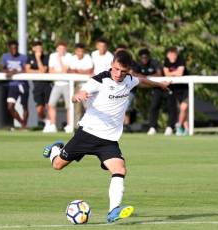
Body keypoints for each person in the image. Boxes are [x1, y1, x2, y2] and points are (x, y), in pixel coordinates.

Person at [42, 50, 170, 223]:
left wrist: (159, 84)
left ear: (128, 70)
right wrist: (78, 96)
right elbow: (78, 94)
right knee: (57, 165)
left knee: (120, 169)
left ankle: (113, 211)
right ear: (112, 65)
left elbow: (142, 81)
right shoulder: (99, 80)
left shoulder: (129, 80)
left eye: (122, 71)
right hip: (87, 134)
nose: (118, 74)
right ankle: (54, 150)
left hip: (108, 141)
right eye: (115, 69)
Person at [44, 41, 73, 133]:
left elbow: (65, 70)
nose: (61, 50)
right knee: (51, 104)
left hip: (67, 84)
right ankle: (52, 125)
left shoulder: (69, 56)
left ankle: (69, 125)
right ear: (57, 48)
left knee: (69, 106)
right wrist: (60, 71)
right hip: (56, 84)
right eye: (60, 48)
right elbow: (50, 71)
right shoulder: (52, 56)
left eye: (63, 48)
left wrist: (60, 59)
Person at [0, 40, 28, 129]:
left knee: (24, 105)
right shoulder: (5, 57)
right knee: (10, 106)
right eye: (12, 48)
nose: (14, 50)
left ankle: (24, 125)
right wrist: (9, 72)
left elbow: (26, 69)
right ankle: (22, 123)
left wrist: (16, 72)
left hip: (23, 84)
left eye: (15, 48)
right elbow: (2, 68)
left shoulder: (23, 57)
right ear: (9, 48)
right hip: (12, 85)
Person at [25, 41, 51, 131]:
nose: (39, 49)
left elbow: (43, 70)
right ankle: (46, 122)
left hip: (47, 84)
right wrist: (38, 72)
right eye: (36, 47)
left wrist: (38, 58)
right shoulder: (30, 57)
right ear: (33, 49)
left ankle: (50, 124)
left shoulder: (46, 57)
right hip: (37, 85)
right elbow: (27, 70)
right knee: (39, 109)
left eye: (40, 47)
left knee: (49, 106)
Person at [163, 47, 189, 136]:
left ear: (176, 54)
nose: (171, 56)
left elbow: (180, 73)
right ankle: (186, 129)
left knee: (183, 108)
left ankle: (178, 126)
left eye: (173, 54)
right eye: (170, 54)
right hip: (175, 89)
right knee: (182, 110)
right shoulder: (166, 61)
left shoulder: (181, 60)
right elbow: (166, 74)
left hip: (185, 88)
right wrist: (174, 73)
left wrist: (172, 74)